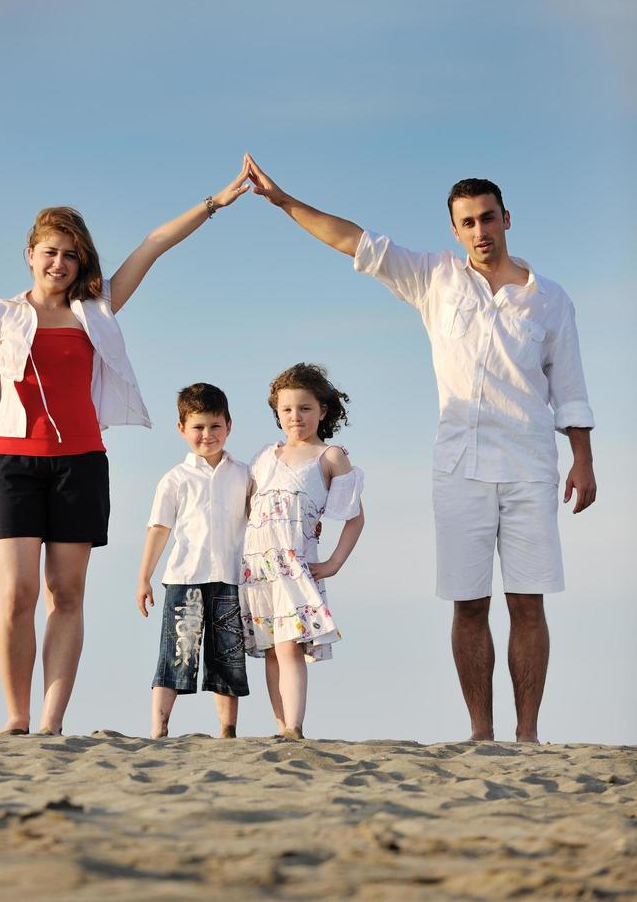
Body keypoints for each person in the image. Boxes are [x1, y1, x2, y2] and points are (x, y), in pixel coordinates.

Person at [245, 155, 596, 743]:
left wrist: (583, 458)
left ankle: (528, 736)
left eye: (488, 219)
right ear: (455, 231)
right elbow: (354, 241)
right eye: (467, 223)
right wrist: (284, 202)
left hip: (532, 466)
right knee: (468, 603)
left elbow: (571, 388)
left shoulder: (550, 300)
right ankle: (481, 735)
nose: (480, 232)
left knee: (528, 604)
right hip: (458, 468)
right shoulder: (435, 278)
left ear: (507, 219)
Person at [0, 163, 250, 736]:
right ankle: (15, 718)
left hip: (81, 465)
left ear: (80, 261)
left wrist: (213, 202)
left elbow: (153, 245)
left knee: (66, 594)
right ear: (31, 253)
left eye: (70, 255)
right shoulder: (0, 314)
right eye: (50, 252)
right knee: (17, 594)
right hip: (12, 463)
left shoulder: (97, 310)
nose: (59, 263)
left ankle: (50, 721)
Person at [239, 363, 364, 740]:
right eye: (287, 409)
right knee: (272, 649)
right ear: (277, 412)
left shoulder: (330, 457)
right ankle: (280, 726)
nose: (296, 417)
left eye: (305, 408)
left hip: (294, 566)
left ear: (322, 411)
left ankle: (294, 727)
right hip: (257, 568)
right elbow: (247, 509)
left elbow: (355, 518)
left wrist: (333, 563)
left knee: (289, 646)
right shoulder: (264, 455)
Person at [136, 383, 250, 739]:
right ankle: (159, 728)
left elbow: (264, 518)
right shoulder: (175, 479)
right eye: (198, 427)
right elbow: (158, 530)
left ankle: (227, 731)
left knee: (228, 657)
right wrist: (144, 578)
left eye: (215, 426)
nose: (207, 435)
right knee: (176, 654)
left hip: (231, 578)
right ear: (182, 429)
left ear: (229, 426)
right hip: (185, 579)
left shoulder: (244, 474)